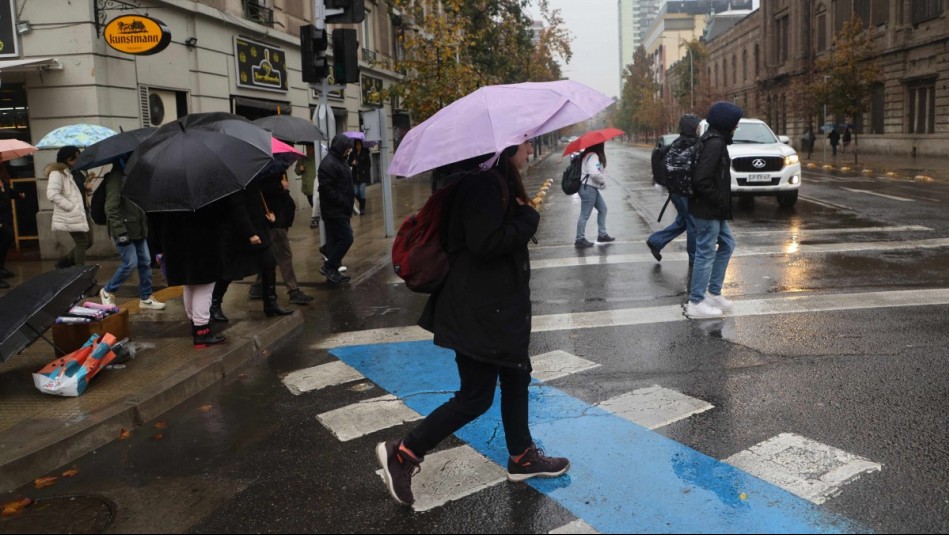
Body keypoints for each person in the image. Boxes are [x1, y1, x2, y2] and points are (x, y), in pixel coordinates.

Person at [376, 140, 569, 508]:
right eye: (526, 142)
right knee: (475, 397)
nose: (530, 148)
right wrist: (527, 218)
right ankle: (403, 453)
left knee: (516, 375)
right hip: (481, 312)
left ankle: (521, 456)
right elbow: (485, 243)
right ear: (508, 146)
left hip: (495, 310)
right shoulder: (482, 185)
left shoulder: (491, 180)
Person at [209, 174, 294, 321]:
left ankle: (270, 304)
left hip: (260, 229)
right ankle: (214, 305)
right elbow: (238, 209)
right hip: (240, 235)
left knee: (270, 264)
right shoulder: (234, 180)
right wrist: (250, 233)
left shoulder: (252, 176)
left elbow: (257, 199)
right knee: (230, 272)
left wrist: (269, 214)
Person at [685, 101, 741, 319]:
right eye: (735, 123)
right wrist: (718, 200)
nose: (736, 127)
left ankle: (713, 293)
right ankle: (696, 301)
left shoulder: (714, 140)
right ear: (726, 123)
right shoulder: (715, 143)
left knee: (728, 244)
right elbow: (701, 179)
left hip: (713, 209)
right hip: (708, 210)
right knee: (706, 252)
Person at [151, 204, 227, 348]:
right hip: (201, 246)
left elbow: (155, 222)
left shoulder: (165, 195)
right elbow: (219, 216)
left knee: (189, 285)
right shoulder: (201, 196)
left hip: (175, 247)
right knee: (204, 288)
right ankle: (202, 330)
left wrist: (158, 248)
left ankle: (195, 325)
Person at [98, 159, 166, 310]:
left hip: (138, 228)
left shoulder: (134, 176)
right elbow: (111, 208)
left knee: (146, 262)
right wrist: (120, 231)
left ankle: (146, 297)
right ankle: (108, 290)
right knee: (130, 263)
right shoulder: (116, 178)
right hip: (124, 229)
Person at [247, 166, 313, 305]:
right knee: (284, 256)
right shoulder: (263, 171)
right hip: (274, 221)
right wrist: (280, 186)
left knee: (271, 256)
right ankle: (293, 290)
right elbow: (262, 192)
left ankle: (258, 287)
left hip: (280, 219)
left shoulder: (271, 168)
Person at [646, 114, 700, 265]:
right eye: (697, 127)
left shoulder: (678, 142)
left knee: (683, 222)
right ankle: (694, 259)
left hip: (677, 192)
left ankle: (656, 241)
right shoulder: (689, 145)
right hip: (684, 192)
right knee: (692, 224)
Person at [46, 146, 94, 268]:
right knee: (82, 242)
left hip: (84, 211)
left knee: (89, 242)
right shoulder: (57, 173)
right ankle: (78, 272)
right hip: (72, 213)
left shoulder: (78, 171)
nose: (78, 160)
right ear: (66, 159)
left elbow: (78, 192)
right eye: (75, 158)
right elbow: (52, 194)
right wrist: (70, 207)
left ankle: (64, 263)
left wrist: (88, 189)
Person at [317, 134, 355, 284]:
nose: (349, 151)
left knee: (337, 239)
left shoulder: (340, 161)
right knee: (347, 238)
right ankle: (329, 266)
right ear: (341, 147)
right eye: (347, 148)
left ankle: (330, 257)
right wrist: (343, 202)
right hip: (334, 210)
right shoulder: (329, 164)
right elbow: (326, 189)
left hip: (341, 209)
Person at [574, 142, 614, 248]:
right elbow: (594, 173)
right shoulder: (593, 156)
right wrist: (602, 181)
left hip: (590, 188)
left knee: (603, 209)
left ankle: (602, 234)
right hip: (588, 188)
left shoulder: (588, 155)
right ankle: (579, 239)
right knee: (585, 215)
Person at [0, 163, 25, 289]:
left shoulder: (2, 175)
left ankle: (1, 268)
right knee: (5, 238)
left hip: (5, 216)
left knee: (7, 239)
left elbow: (8, 191)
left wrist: (17, 193)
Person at [294, 144, 318, 228]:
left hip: (316, 186)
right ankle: (316, 218)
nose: (308, 150)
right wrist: (300, 169)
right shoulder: (302, 159)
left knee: (315, 204)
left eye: (310, 148)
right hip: (307, 186)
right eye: (307, 148)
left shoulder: (318, 157)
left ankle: (315, 219)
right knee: (312, 204)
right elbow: (297, 171)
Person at [349, 139, 371, 215]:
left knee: (361, 190)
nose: (358, 146)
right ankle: (362, 203)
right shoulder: (352, 153)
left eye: (359, 144)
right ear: (355, 145)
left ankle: (362, 208)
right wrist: (352, 163)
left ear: (361, 145)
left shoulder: (365, 153)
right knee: (355, 192)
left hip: (363, 175)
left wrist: (364, 170)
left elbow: (368, 165)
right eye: (357, 144)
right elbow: (349, 163)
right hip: (355, 176)